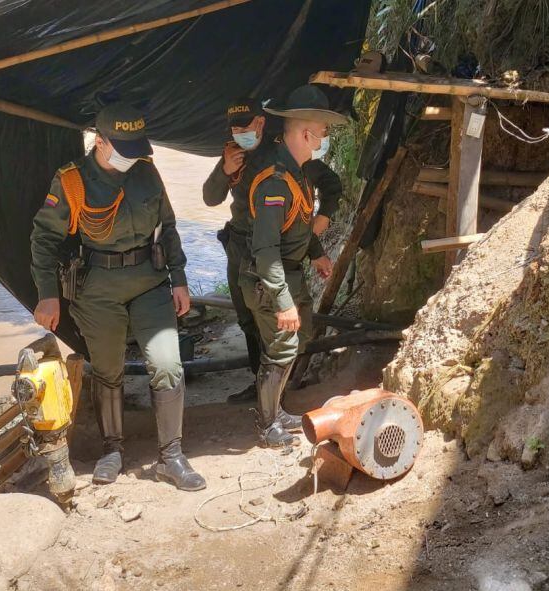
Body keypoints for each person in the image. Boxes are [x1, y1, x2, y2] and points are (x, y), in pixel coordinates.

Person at [30, 102, 205, 491]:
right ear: (101, 143)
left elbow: (168, 226)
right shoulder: (72, 182)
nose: (133, 157)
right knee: (108, 370)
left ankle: (171, 457)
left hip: (149, 282)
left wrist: (179, 278)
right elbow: (43, 241)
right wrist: (48, 295)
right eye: (124, 149)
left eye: (136, 148)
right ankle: (112, 450)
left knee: (167, 364)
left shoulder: (146, 173)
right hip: (99, 290)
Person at [202, 98, 341, 414]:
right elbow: (210, 198)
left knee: (280, 323)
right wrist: (225, 170)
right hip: (240, 248)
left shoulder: (286, 155)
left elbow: (331, 184)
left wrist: (321, 222)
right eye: (235, 128)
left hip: (271, 248)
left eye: (246, 126)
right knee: (247, 317)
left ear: (261, 124)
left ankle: (275, 395)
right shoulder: (233, 154)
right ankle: (261, 385)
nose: (240, 133)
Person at [241, 85, 347, 448]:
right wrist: (282, 300)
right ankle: (266, 423)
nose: (323, 140)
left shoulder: (297, 173)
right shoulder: (275, 182)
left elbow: (299, 224)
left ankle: (276, 410)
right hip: (270, 276)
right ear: (306, 134)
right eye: (322, 134)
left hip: (291, 271)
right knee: (282, 346)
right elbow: (266, 249)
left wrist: (316, 252)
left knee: (295, 340)